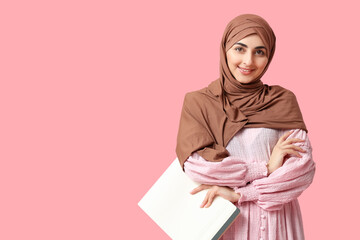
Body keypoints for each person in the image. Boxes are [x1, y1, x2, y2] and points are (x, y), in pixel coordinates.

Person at [175, 14, 316, 240]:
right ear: (225, 49)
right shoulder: (199, 102)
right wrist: (266, 168)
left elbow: (301, 171)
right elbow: (198, 167)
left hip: (277, 221)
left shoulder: (282, 100)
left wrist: (240, 193)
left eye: (259, 52)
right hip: (225, 220)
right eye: (239, 49)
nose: (248, 61)